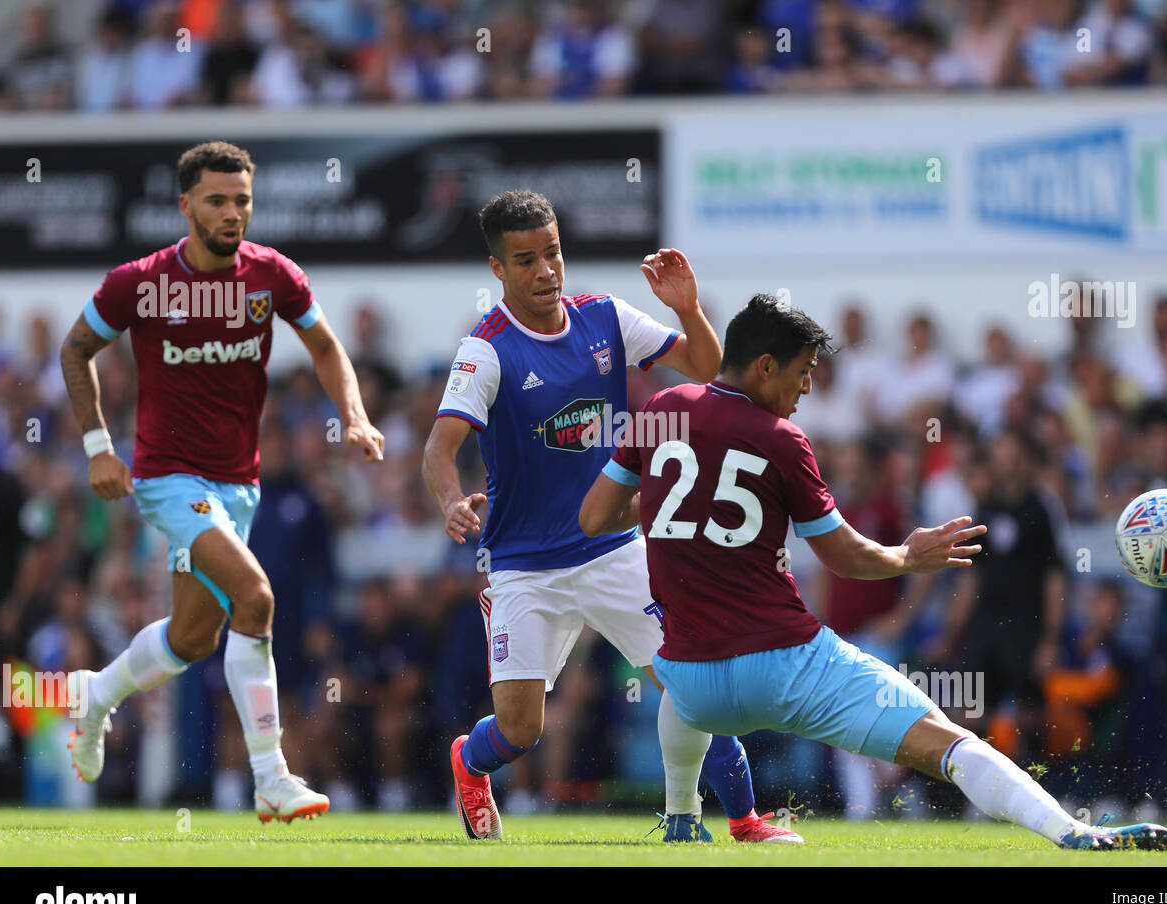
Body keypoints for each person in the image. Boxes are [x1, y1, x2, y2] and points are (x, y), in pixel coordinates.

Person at [579, 292, 1167, 851]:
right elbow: (845, 557)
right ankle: (1073, 833)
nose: (807, 388)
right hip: (786, 667)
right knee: (946, 740)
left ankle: (683, 818)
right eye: (803, 372)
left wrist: (660, 501)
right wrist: (906, 557)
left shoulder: (660, 410)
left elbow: (594, 518)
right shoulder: (784, 440)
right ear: (765, 366)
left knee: (675, 676)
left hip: (695, 685)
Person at [422, 190, 794, 843]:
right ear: (498, 270)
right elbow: (439, 446)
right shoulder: (486, 351)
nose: (546, 271)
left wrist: (687, 309)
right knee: (521, 730)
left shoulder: (605, 319)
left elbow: (708, 369)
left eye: (553, 253)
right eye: (526, 260)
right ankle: (468, 764)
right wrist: (451, 500)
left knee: (691, 681)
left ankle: (743, 819)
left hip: (614, 549)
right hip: (525, 565)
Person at [60, 141, 385, 823]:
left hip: (238, 485)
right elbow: (76, 348)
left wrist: (353, 415)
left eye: (241, 200)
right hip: (168, 480)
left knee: (191, 639)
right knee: (255, 596)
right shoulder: (141, 283)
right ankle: (272, 776)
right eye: (216, 200)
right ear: (185, 206)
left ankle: (95, 696)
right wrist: (98, 448)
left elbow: (325, 346)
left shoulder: (274, 277)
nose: (232, 212)